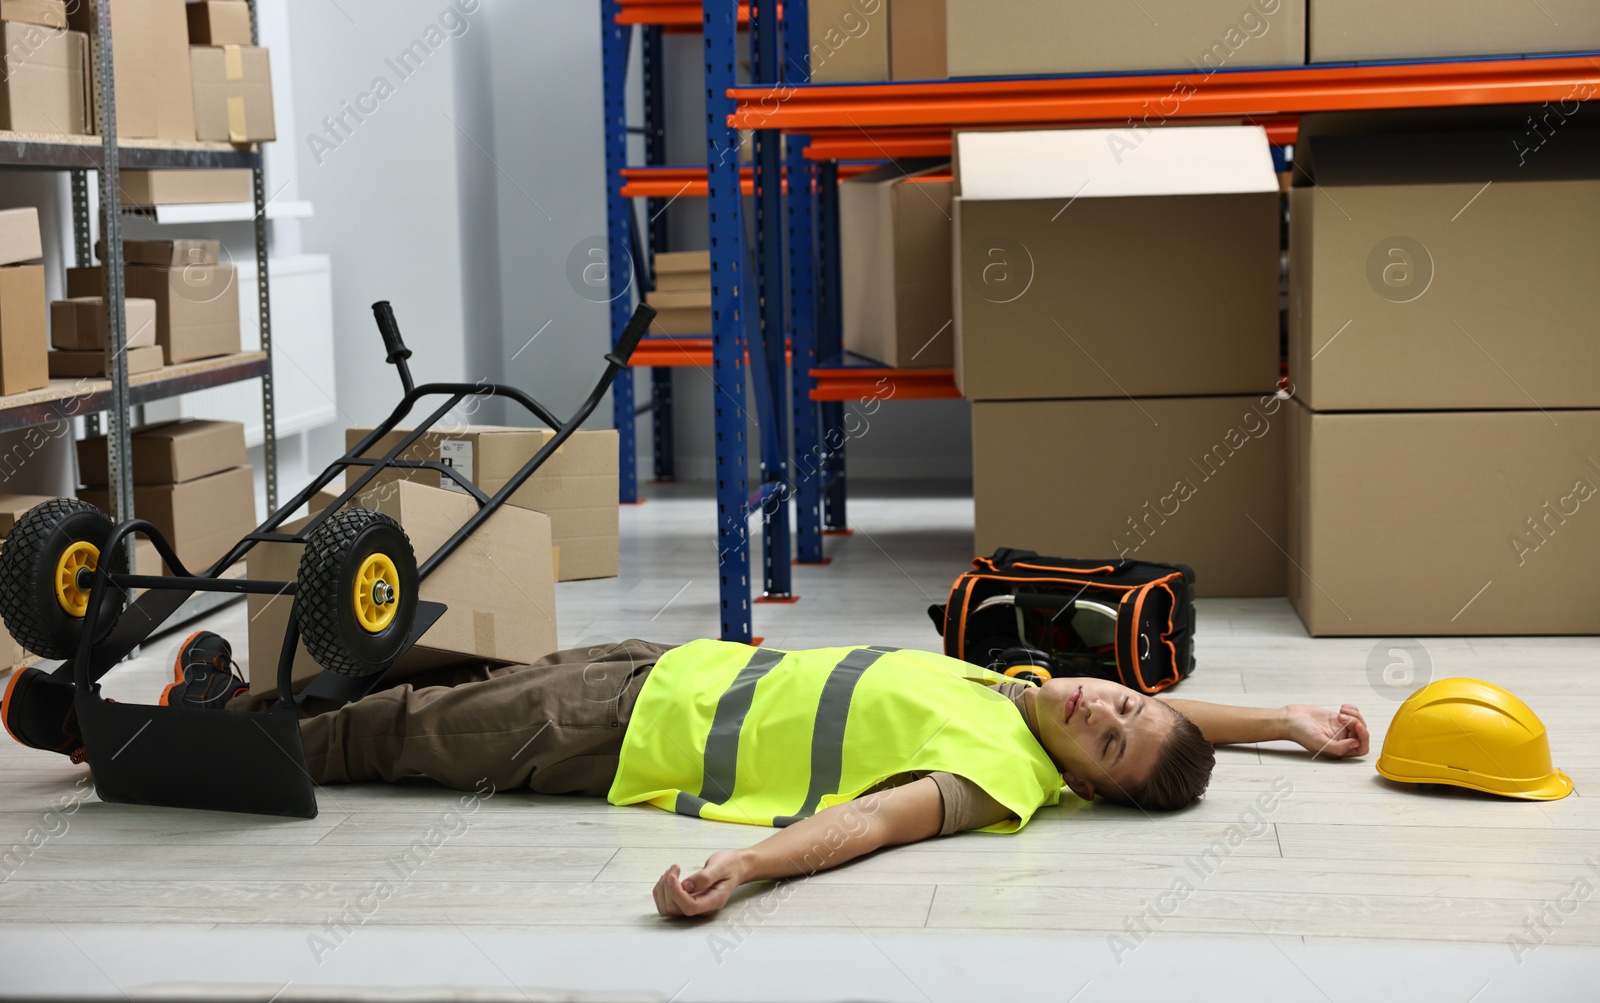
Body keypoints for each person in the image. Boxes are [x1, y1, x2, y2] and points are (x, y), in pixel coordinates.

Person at [2, 633, 1369, 919]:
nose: (1102, 700)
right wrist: (1288, 723)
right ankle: (222, 704)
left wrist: (742, 867)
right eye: (1120, 696)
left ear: (1089, 784)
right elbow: (1173, 717)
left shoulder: (998, 770)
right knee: (411, 668)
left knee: (388, 737)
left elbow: (866, 826)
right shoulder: (1022, 692)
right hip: (657, 660)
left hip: (621, 736)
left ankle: (102, 736)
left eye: (1112, 734)